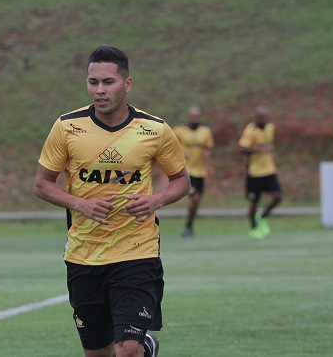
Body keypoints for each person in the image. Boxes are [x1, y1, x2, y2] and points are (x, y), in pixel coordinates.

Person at [34, 44, 190, 357]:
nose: (100, 90)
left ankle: (140, 346)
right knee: (98, 353)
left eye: (109, 82)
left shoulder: (154, 129)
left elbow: (182, 181)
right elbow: (42, 184)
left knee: (127, 349)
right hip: (84, 254)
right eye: (93, 83)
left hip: (137, 251)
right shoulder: (66, 127)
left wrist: (155, 201)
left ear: (127, 84)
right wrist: (80, 204)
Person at [237, 105, 283, 239]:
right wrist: (259, 151)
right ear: (256, 118)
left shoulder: (270, 127)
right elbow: (241, 149)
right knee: (254, 202)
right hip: (254, 172)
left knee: (278, 196)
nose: (265, 119)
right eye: (262, 117)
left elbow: (269, 145)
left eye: (266, 117)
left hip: (269, 169)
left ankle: (262, 217)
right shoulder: (250, 131)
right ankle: (253, 227)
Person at [173, 106, 214, 238]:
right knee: (195, 198)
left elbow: (208, 147)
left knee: (196, 201)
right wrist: (181, 153)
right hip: (186, 171)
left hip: (200, 172)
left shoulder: (205, 131)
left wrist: (207, 154)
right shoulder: (180, 131)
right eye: (193, 116)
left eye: (197, 116)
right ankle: (188, 227)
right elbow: (170, 146)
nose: (195, 119)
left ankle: (188, 226)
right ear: (189, 117)